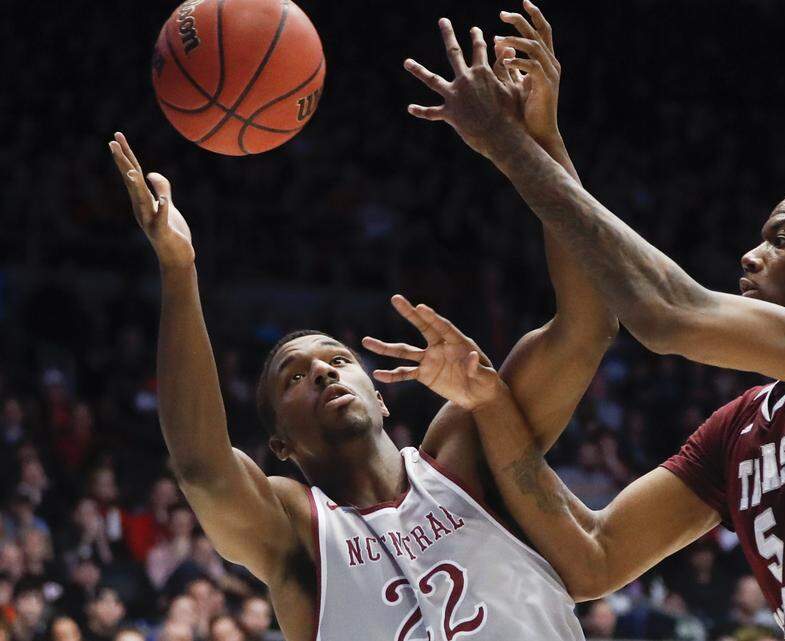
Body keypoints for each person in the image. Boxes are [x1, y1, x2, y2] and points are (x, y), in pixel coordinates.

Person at [401, 5, 785, 639]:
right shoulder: (740, 430)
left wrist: (511, 147)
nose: (752, 254)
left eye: (783, 240)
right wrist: (491, 403)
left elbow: (667, 315)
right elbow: (592, 558)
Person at [105, 5, 616, 635]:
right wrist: (179, 271)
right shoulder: (295, 533)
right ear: (280, 446)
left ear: (383, 397)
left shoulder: (468, 448)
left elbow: (587, 325)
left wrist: (541, 144)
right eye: (293, 378)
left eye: (339, 360)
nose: (322, 371)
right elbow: (203, 467)